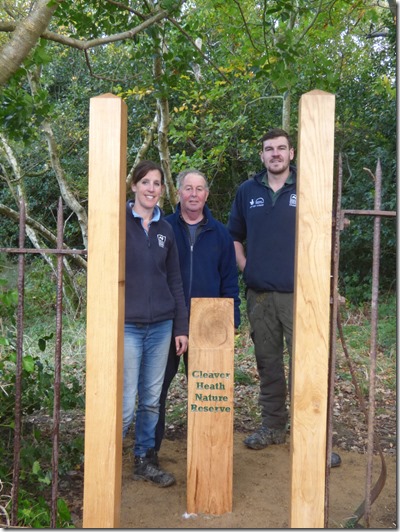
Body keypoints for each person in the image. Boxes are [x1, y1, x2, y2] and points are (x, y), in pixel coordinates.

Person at [227, 128, 341, 468]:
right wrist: (248, 270)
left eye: (281, 148)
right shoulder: (248, 191)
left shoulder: (309, 188)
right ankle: (273, 426)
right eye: (268, 149)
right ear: (261, 155)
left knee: (308, 366)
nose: (275, 154)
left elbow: (327, 237)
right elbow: (234, 237)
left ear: (292, 153)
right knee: (269, 364)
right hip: (260, 296)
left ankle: (313, 437)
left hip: (302, 296)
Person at [154, 169, 241, 453]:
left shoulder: (221, 235)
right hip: (167, 322)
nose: (193, 194)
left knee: (208, 393)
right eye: (188, 188)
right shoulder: (163, 228)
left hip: (209, 326)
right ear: (178, 192)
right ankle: (150, 452)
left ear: (207, 194)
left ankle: (208, 452)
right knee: (157, 390)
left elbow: (229, 280)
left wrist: (232, 321)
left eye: (199, 189)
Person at [123, 160, 189, 487]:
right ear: (134, 185)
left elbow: (175, 280)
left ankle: (144, 459)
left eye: (157, 183)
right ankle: (102, 462)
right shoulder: (119, 223)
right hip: (128, 326)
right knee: (123, 404)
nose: (151, 188)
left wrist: (181, 327)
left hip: (162, 325)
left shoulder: (166, 229)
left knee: (151, 399)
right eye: (145, 182)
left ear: (162, 190)